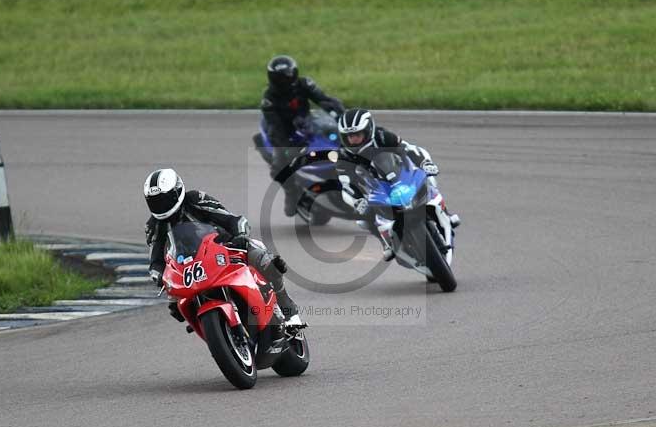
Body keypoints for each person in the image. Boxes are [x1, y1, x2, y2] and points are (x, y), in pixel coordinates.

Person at [143, 168, 304, 334]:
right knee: (175, 305)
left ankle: (289, 312)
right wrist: (159, 276)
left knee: (265, 260)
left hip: (223, 248)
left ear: (177, 191)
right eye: (155, 201)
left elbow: (231, 219)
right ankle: (211, 327)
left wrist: (240, 236)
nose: (161, 205)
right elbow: (155, 260)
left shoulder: (195, 199)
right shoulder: (153, 225)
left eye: (165, 199)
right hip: (188, 268)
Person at [334, 108, 460, 261]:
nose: (353, 140)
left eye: (357, 135)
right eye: (348, 137)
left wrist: (425, 163)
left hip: (398, 175)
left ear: (368, 130)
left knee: (429, 179)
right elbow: (346, 184)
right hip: (373, 189)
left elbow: (410, 149)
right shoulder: (343, 156)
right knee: (363, 218)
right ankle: (386, 243)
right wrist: (357, 200)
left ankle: (446, 214)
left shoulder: (382, 136)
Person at [261, 55, 344, 216]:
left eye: (290, 75)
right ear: (274, 79)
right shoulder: (269, 99)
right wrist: (288, 145)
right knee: (279, 166)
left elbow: (324, 100)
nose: (287, 80)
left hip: (306, 122)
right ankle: (291, 193)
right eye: (282, 78)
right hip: (284, 133)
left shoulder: (304, 84)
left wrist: (340, 114)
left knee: (337, 137)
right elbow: (276, 128)